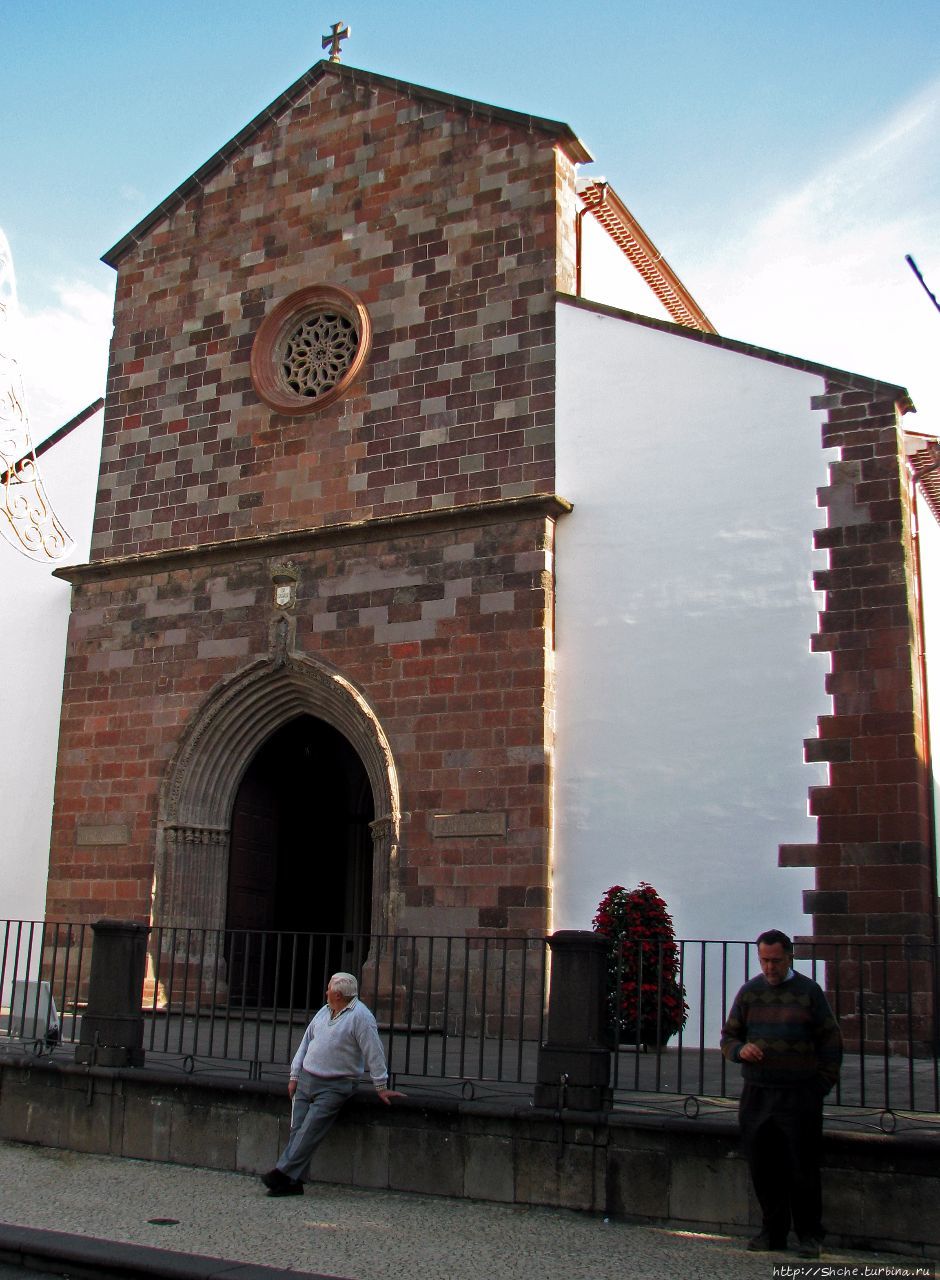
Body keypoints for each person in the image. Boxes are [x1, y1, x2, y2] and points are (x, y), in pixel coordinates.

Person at [720, 929, 842, 1259]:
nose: (769, 968)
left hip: (798, 1093)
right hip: (758, 1092)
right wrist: (740, 1050)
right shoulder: (750, 992)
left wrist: (820, 1086)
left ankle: (809, 1234)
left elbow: (831, 1042)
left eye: (775, 961)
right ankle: (772, 1231)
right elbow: (729, 1037)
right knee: (763, 1165)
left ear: (789, 957)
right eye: (764, 961)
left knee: (802, 1166)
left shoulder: (808, 992)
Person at [261, 971, 404, 1197]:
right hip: (307, 1078)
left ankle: (281, 1173)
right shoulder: (325, 1011)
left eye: (329, 988)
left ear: (337, 994)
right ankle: (293, 1182)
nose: (326, 991)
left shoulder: (361, 1017)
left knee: (310, 1129)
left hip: (336, 1084)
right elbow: (306, 1042)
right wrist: (294, 1075)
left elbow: (373, 1050)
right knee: (298, 1129)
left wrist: (380, 1085)